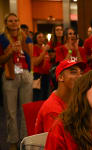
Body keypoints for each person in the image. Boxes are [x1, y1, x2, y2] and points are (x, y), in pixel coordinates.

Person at [0, 13, 33, 150]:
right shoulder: (2, 39)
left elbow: (32, 56)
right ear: (6, 23)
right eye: (10, 21)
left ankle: (25, 142)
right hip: (10, 75)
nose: (13, 23)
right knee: (11, 112)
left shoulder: (25, 37)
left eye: (16, 20)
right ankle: (13, 142)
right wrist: (10, 52)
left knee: (26, 111)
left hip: (25, 74)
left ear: (19, 22)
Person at [35, 59, 85, 134]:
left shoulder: (73, 99)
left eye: (81, 73)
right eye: (74, 72)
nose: (80, 77)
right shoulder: (52, 110)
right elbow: (54, 144)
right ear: (61, 78)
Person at [32, 32, 51, 101]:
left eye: (42, 37)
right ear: (35, 39)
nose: (41, 39)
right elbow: (36, 62)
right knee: (38, 97)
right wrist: (44, 51)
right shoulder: (34, 47)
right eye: (39, 37)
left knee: (45, 97)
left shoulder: (44, 47)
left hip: (46, 75)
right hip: (38, 75)